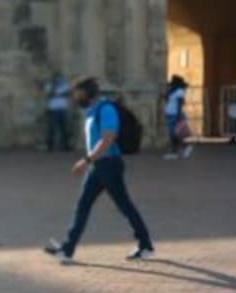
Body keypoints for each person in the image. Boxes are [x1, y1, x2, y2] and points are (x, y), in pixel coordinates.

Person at [43, 77, 156, 265]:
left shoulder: (106, 110)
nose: (75, 97)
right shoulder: (93, 111)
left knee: (123, 206)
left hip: (108, 165)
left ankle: (145, 245)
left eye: (78, 93)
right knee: (85, 206)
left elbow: (107, 139)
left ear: (87, 93)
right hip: (99, 165)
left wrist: (86, 160)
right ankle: (67, 249)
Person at [163, 75, 192, 160]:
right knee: (172, 134)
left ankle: (185, 147)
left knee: (174, 134)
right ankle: (174, 152)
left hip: (175, 114)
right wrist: (168, 91)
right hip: (170, 114)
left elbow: (180, 103)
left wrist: (179, 114)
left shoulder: (179, 91)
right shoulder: (173, 90)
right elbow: (166, 98)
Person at [43, 71, 71, 152]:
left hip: (63, 109)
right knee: (51, 129)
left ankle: (66, 146)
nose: (58, 79)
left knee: (64, 128)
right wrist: (55, 88)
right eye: (56, 78)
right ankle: (50, 147)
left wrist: (57, 94)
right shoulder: (50, 85)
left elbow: (67, 93)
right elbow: (49, 94)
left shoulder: (65, 85)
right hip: (53, 110)